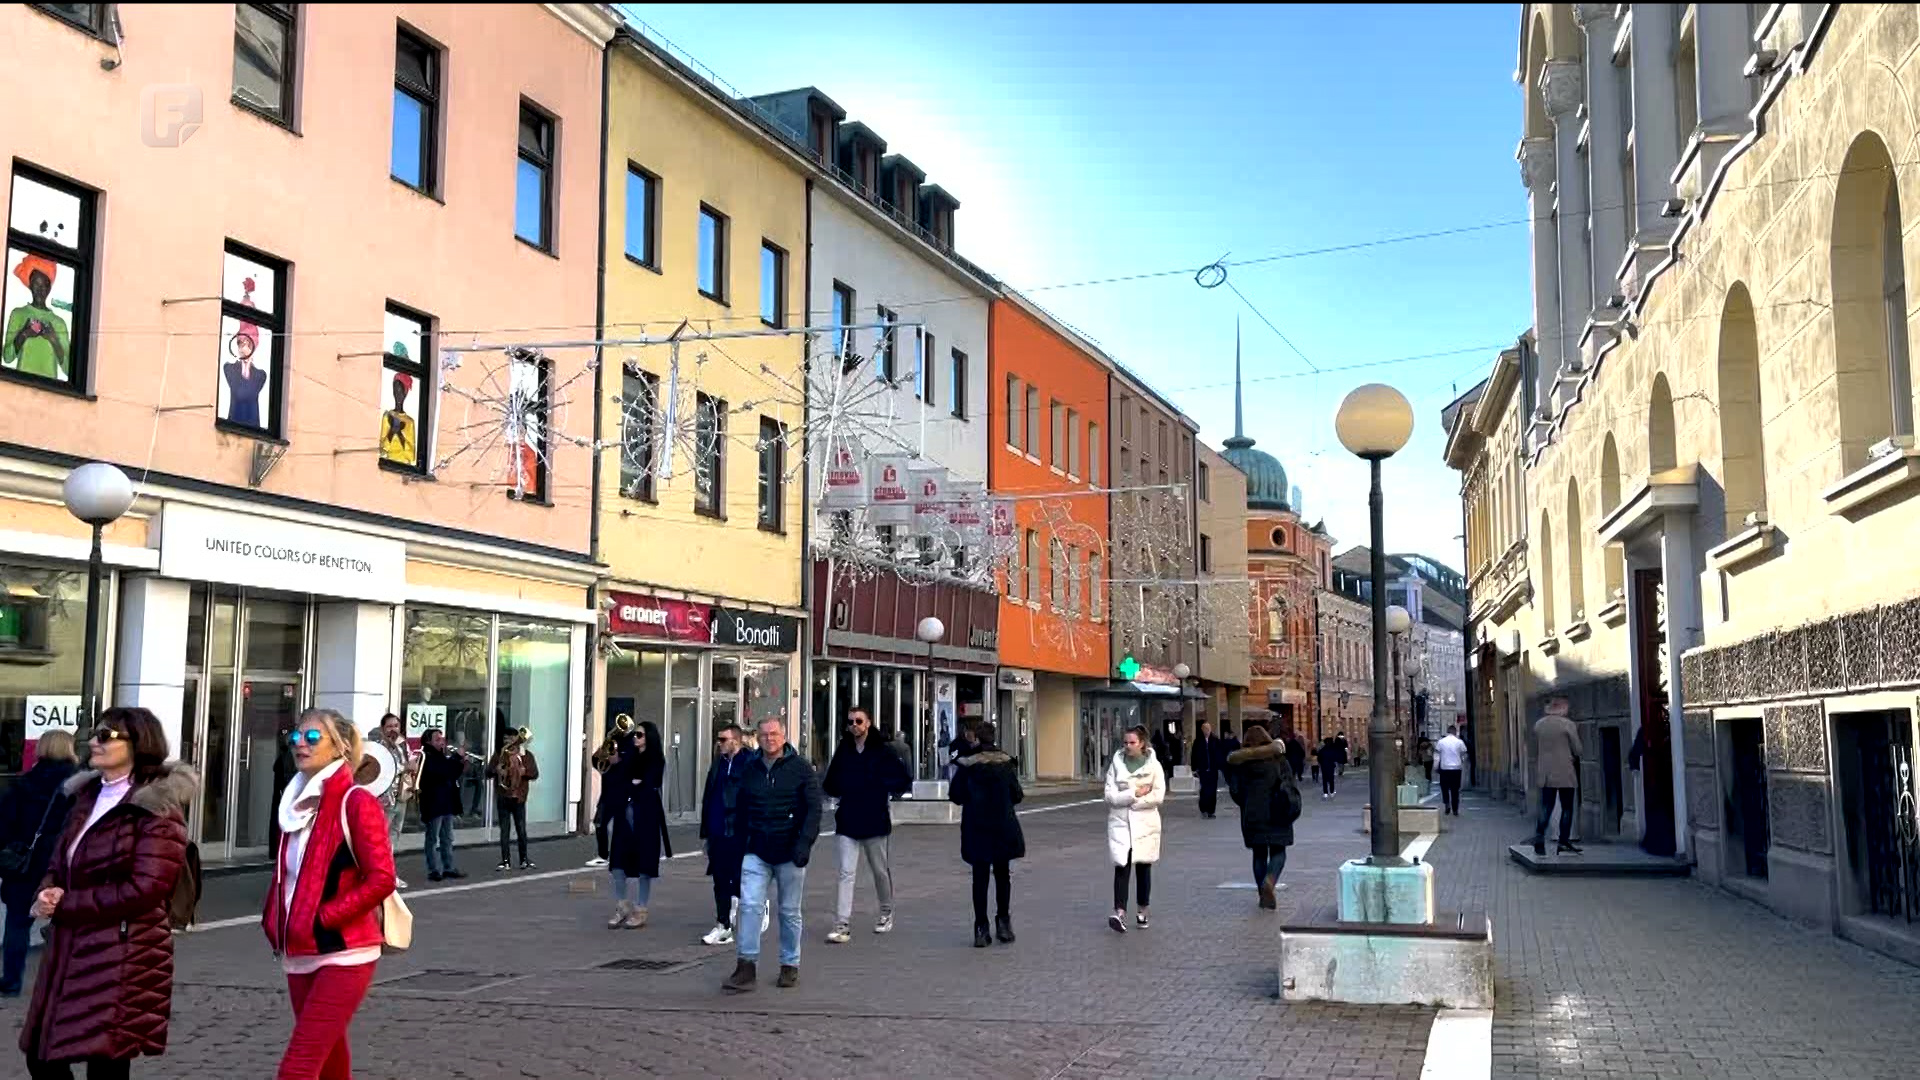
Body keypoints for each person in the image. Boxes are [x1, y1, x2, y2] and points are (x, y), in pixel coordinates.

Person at [21, 707, 194, 1080]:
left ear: (137, 745)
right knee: (41, 1053)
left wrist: (70, 903)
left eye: (106, 736)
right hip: (72, 946)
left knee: (106, 1063)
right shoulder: (86, 796)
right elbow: (60, 858)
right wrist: (47, 890)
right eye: (95, 733)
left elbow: (146, 888)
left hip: (124, 950)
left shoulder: (155, 806)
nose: (94, 742)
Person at [263, 708, 396, 1080]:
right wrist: (272, 918)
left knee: (298, 1067)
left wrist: (325, 917)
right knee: (331, 1062)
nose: (299, 745)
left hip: (345, 951)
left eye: (311, 738)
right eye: (295, 738)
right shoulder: (293, 805)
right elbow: (286, 877)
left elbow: (382, 877)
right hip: (298, 950)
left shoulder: (356, 802)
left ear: (338, 747)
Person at [722, 719, 822, 994]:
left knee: (789, 911)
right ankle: (746, 966)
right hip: (756, 849)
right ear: (757, 738)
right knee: (750, 906)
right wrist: (737, 843)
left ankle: (790, 965)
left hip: (790, 851)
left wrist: (804, 844)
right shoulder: (749, 768)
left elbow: (814, 809)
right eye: (764, 735)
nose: (769, 739)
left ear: (784, 735)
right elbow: (739, 807)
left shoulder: (800, 768)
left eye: (774, 734)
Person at [822, 707, 912, 944]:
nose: (854, 725)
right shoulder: (844, 749)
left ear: (868, 723)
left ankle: (886, 911)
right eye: (850, 721)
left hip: (874, 819)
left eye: (859, 721)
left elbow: (902, 778)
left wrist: (881, 786)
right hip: (848, 819)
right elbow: (831, 780)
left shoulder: (882, 750)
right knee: (845, 872)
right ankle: (842, 924)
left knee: (879, 870)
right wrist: (841, 789)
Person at [0, 731, 79, 997]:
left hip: (25, 863)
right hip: (63, 864)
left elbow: (4, 826)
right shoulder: (82, 786)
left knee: (17, 924)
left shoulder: (24, 784)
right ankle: (67, 984)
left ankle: (11, 982)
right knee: (68, 924)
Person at [949, 721, 1024, 948]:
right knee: (1003, 875)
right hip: (1003, 824)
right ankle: (1003, 922)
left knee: (979, 877)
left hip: (977, 826)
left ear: (976, 738)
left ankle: (981, 928)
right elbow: (1017, 795)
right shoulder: (1005, 763)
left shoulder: (968, 764)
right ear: (993, 737)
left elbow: (956, 795)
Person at [1225, 725, 1302, 910]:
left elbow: (1235, 792)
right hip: (1278, 812)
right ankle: (1270, 881)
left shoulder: (1240, 763)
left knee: (1259, 854)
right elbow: (1290, 783)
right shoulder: (1278, 759)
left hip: (1252, 815)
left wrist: (1248, 802)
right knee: (1279, 851)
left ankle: (1262, 892)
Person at [603, 721, 670, 930]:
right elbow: (620, 778)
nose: (635, 738)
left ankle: (641, 909)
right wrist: (619, 768)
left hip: (645, 816)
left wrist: (635, 783)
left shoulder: (656, 758)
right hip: (625, 813)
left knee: (644, 865)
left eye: (639, 735)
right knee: (617, 864)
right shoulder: (629, 756)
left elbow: (650, 783)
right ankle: (622, 905)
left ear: (648, 737)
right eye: (634, 735)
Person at [1104, 726, 1165, 933]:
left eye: (1132, 742)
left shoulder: (1154, 766)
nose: (1128, 746)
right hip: (1120, 823)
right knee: (1121, 866)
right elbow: (1110, 796)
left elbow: (1157, 796)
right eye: (1125, 742)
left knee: (1143, 868)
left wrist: (1134, 803)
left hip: (1145, 824)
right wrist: (1134, 793)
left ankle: (1142, 910)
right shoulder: (1116, 764)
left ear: (1142, 744)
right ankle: (1119, 912)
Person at [699, 723, 753, 945]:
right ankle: (723, 925)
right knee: (720, 878)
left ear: (736, 741)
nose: (719, 743)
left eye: (723, 739)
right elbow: (709, 795)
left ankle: (746, 914)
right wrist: (706, 833)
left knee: (741, 877)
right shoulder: (718, 764)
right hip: (717, 830)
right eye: (718, 739)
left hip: (739, 830)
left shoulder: (749, 763)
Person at [4, 254, 72, 381]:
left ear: (49, 288)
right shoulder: (18, 314)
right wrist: (24, 334)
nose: (40, 290)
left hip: (50, 392)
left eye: (44, 285)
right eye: (36, 284)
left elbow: (69, 370)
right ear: (30, 285)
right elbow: (7, 358)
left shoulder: (59, 323)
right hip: (20, 386)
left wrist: (54, 340)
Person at [372, 713, 417, 890]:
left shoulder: (402, 744)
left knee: (394, 836)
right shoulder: (379, 746)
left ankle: (389, 873)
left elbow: (408, 761)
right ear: (383, 728)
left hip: (401, 795)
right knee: (382, 838)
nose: (394, 729)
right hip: (385, 798)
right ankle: (380, 874)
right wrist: (405, 767)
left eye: (396, 726)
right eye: (390, 726)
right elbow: (383, 768)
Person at [1533, 696, 1582, 856]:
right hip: (1565, 772)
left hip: (1546, 773)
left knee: (1546, 807)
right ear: (1562, 709)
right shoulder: (1568, 725)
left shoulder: (1539, 725)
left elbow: (1535, 748)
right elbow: (1578, 749)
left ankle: (1539, 838)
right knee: (1567, 808)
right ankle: (1563, 841)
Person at [415, 729, 466, 882]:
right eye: (437, 739)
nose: (441, 741)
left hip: (447, 802)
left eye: (442, 738)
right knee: (432, 839)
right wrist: (456, 757)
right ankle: (433, 870)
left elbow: (451, 773)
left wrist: (460, 762)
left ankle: (448, 867)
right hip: (434, 803)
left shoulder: (442, 756)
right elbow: (441, 772)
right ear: (428, 741)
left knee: (447, 838)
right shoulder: (426, 756)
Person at [486, 729, 539, 871]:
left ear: (516, 739)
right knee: (504, 831)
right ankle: (505, 861)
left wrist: (524, 772)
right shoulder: (500, 754)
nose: (507, 742)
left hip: (519, 798)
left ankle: (524, 859)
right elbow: (488, 773)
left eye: (510, 738)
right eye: (505, 739)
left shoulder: (526, 755)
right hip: (503, 796)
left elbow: (534, 773)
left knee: (521, 830)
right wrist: (495, 770)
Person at [1189, 721, 1226, 819]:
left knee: (1213, 790)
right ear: (1202, 730)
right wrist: (1194, 768)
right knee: (1204, 790)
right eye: (1205, 729)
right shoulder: (1198, 741)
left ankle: (1211, 811)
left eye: (1208, 729)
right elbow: (1194, 755)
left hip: (1213, 769)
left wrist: (1221, 766)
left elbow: (1220, 754)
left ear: (1210, 729)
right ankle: (1203, 809)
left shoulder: (1215, 740)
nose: (1206, 731)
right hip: (1203, 769)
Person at [1435, 725, 1469, 816]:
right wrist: (1461, 761)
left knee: (1444, 788)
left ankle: (1447, 803)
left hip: (1444, 768)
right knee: (1455, 789)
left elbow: (1437, 756)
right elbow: (1465, 754)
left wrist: (1435, 767)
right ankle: (1455, 809)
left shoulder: (1441, 742)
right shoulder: (1459, 742)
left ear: (1447, 731)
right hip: (1456, 768)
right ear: (1455, 732)